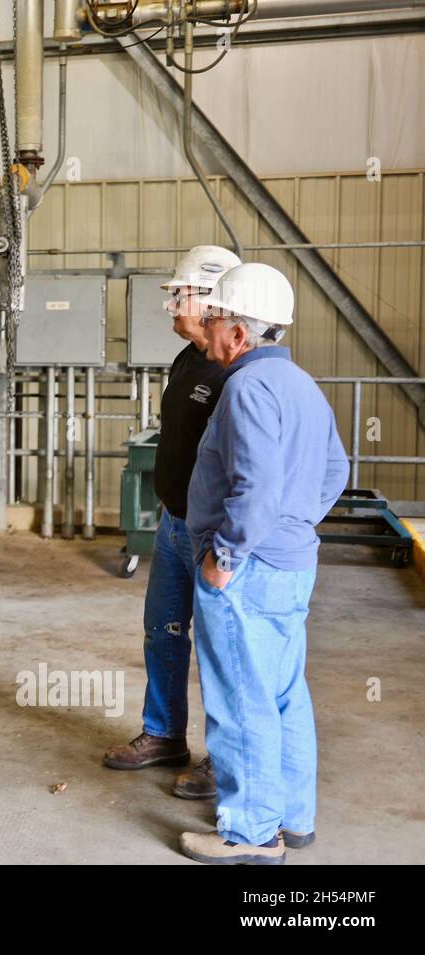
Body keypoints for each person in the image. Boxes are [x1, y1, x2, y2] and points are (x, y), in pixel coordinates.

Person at [179, 263, 349, 865]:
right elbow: (336, 472)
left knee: (240, 698)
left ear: (240, 334)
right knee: (282, 692)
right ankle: (294, 818)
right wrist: (295, 525)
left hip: (247, 568)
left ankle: (250, 833)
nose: (208, 325)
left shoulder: (246, 389)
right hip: (292, 564)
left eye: (216, 318)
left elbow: (255, 488)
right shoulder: (301, 384)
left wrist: (227, 555)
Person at [103, 246, 239, 796]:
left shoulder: (235, 369)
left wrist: (225, 544)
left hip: (211, 534)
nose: (171, 306)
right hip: (175, 523)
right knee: (164, 633)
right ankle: (164, 735)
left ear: (209, 301)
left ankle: (222, 758)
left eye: (179, 294)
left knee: (221, 649)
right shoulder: (188, 358)